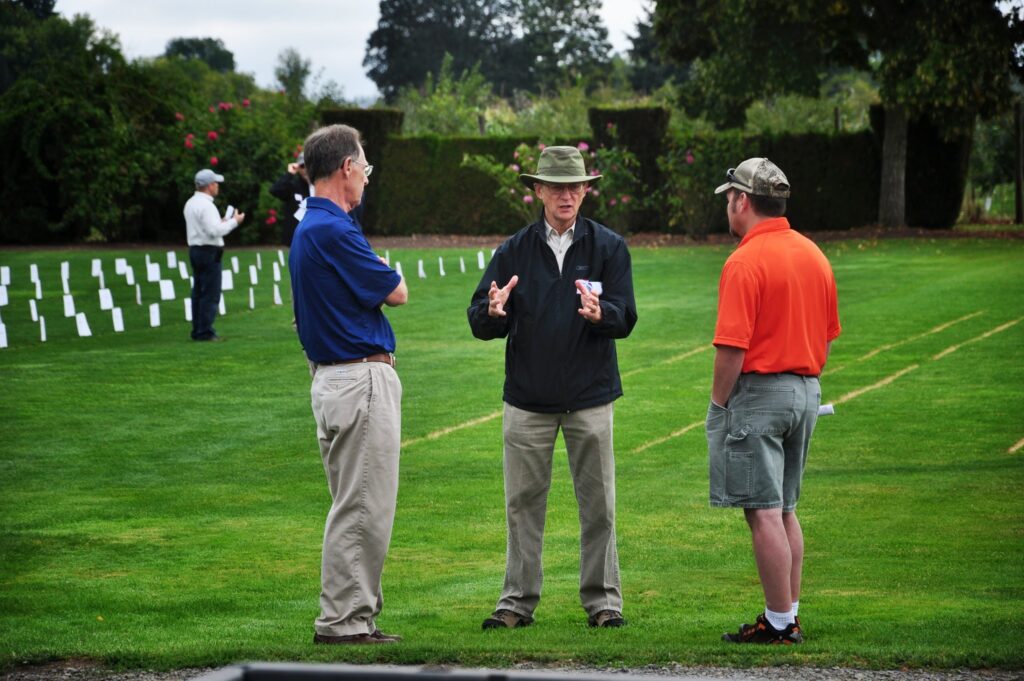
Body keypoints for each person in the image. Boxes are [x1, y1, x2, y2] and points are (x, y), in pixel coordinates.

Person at [467, 146, 638, 630]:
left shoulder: (608, 247)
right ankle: (516, 603)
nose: (566, 195)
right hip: (527, 399)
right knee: (522, 506)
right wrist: (493, 311)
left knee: (599, 506)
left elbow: (625, 315)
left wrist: (602, 314)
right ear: (537, 190)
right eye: (556, 186)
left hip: (591, 396)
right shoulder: (514, 250)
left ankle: (604, 602)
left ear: (586, 190)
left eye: (574, 186)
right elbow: (480, 317)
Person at [705, 157, 841, 644]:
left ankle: (780, 622)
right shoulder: (813, 254)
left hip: (761, 393)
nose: (727, 205)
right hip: (807, 389)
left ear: (743, 200)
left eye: (729, 197)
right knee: (784, 507)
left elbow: (732, 347)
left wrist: (719, 407)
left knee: (762, 509)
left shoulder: (744, 261)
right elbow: (827, 336)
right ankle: (789, 613)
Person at [289, 124, 408, 645]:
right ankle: (343, 622)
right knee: (363, 507)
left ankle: (356, 615)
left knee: (357, 503)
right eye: (365, 167)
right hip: (358, 378)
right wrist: (382, 270)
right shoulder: (334, 230)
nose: (367, 178)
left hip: (335, 378)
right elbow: (397, 291)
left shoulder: (310, 227)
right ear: (347, 169)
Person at [184, 168, 245, 341]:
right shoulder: (207, 205)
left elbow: (208, 227)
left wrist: (222, 222)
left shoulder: (191, 203)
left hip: (195, 249)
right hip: (209, 250)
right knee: (210, 293)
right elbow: (214, 231)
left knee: (198, 291)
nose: (217, 186)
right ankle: (205, 331)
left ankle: (198, 329)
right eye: (215, 183)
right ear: (209, 185)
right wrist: (234, 221)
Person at [268, 152, 311, 246]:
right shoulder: (293, 186)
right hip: (296, 236)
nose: (306, 169)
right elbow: (275, 190)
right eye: (303, 166)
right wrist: (289, 174)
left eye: (309, 165)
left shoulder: (321, 186)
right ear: (298, 168)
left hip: (314, 234)